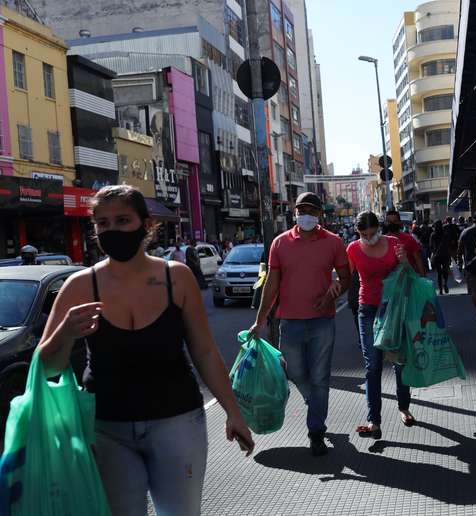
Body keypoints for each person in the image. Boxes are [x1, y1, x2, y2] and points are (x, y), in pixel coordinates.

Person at [37, 185, 254, 516]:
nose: (112, 231)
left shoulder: (176, 278)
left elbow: (205, 351)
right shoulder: (79, 285)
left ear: (146, 224)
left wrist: (233, 412)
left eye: (123, 220)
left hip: (178, 422)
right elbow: (44, 367)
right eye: (102, 223)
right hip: (107, 428)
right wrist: (66, 332)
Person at [249, 192, 351, 456]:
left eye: (311, 211)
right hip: (290, 323)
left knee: (320, 378)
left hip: (322, 322)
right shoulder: (280, 244)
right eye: (301, 210)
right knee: (294, 373)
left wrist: (334, 291)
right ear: (294, 213)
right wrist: (259, 321)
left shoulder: (334, 242)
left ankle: (316, 431)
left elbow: (346, 278)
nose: (305, 214)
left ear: (319, 215)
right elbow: (271, 284)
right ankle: (314, 404)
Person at [347, 211, 414, 440]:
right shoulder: (353, 249)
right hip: (367, 309)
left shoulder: (394, 243)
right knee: (372, 366)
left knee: (399, 361)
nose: (369, 238)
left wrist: (404, 260)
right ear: (358, 233)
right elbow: (345, 277)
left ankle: (404, 407)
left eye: (373, 233)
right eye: (364, 234)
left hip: (394, 309)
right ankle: (374, 421)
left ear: (379, 228)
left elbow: (408, 272)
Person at [383, 209, 426, 275]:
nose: (392, 224)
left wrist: (423, 278)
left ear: (399, 222)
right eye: (389, 221)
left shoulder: (409, 239)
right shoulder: (382, 241)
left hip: (409, 278)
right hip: (390, 281)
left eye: (395, 221)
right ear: (386, 223)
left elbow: (418, 259)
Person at [430, 221, 451, 295]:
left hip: (437, 256)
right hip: (445, 255)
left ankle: (441, 290)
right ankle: (445, 283)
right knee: (445, 270)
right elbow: (449, 245)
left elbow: (431, 246)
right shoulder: (445, 234)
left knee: (439, 273)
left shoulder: (433, 235)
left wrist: (433, 253)